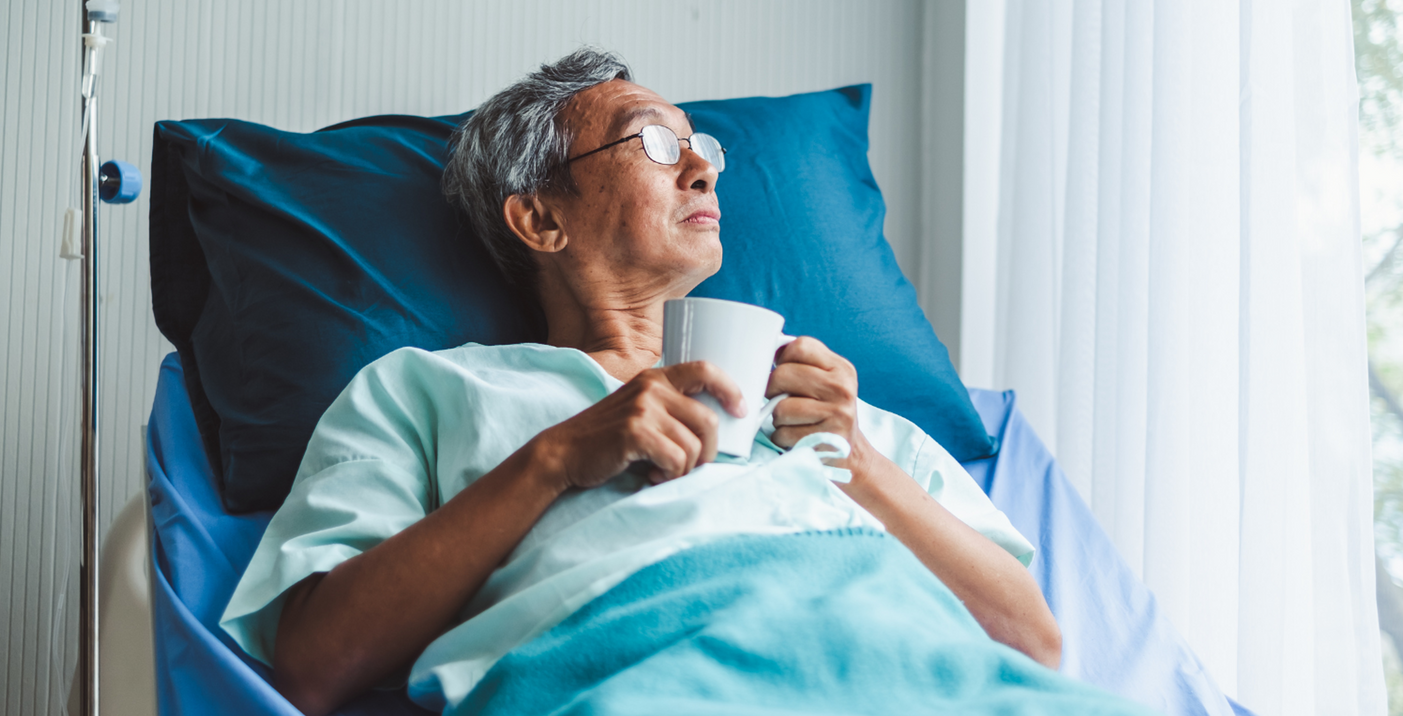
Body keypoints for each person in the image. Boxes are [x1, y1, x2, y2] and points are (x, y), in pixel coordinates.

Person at [221, 49, 1066, 716]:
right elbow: (314, 667)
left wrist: (859, 464)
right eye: (658, 143)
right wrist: (555, 459)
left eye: (702, 147)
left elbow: (1034, 644)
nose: (703, 169)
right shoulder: (429, 393)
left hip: (906, 666)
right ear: (540, 217)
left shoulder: (827, 408)